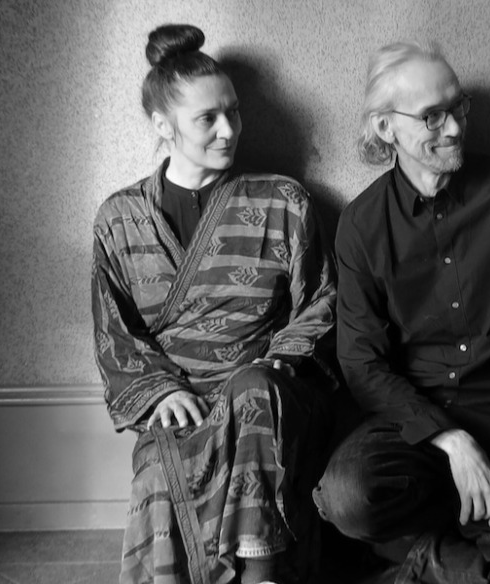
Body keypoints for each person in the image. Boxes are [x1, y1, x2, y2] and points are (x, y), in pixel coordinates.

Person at [313, 41, 490, 584]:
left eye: (458, 106)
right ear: (386, 128)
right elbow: (361, 362)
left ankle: (418, 561)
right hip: (414, 428)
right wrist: (451, 439)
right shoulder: (361, 225)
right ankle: (461, 556)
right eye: (432, 115)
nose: (454, 127)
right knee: (345, 498)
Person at [92, 24, 337, 584]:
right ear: (163, 125)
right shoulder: (118, 220)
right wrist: (162, 391)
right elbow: (113, 331)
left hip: (272, 390)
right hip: (180, 397)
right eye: (208, 118)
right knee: (158, 467)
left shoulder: (284, 201)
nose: (230, 130)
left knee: (252, 393)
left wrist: (278, 363)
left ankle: (261, 574)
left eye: (234, 112)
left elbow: (323, 303)